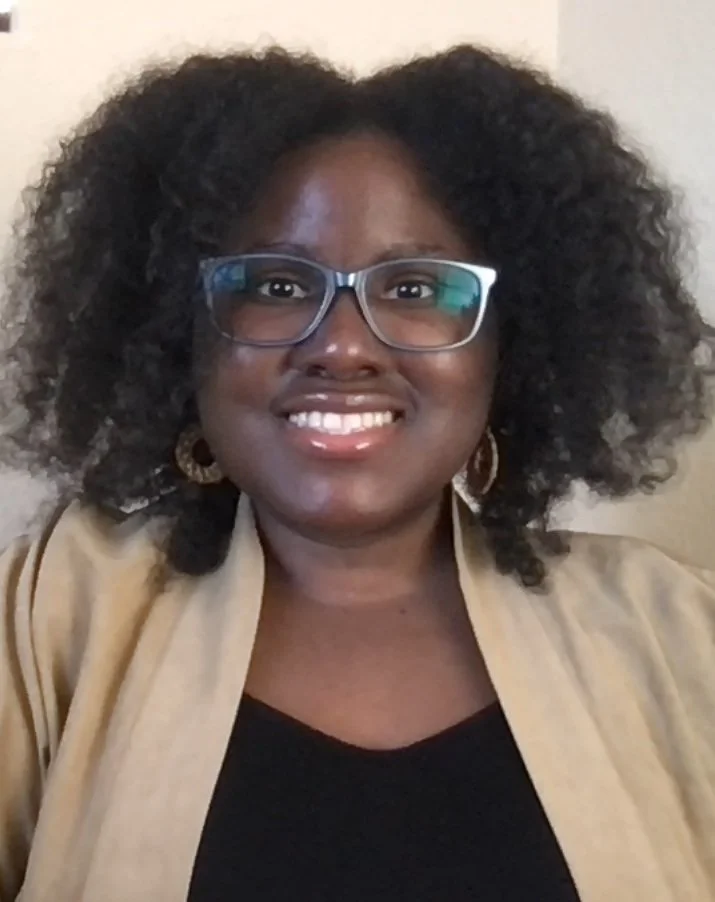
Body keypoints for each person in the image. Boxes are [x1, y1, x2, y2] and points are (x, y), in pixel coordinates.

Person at [0, 43, 713, 902]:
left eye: (415, 290)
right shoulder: (50, 618)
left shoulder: (675, 632)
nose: (341, 346)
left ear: (509, 345)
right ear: (179, 336)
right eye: (274, 283)